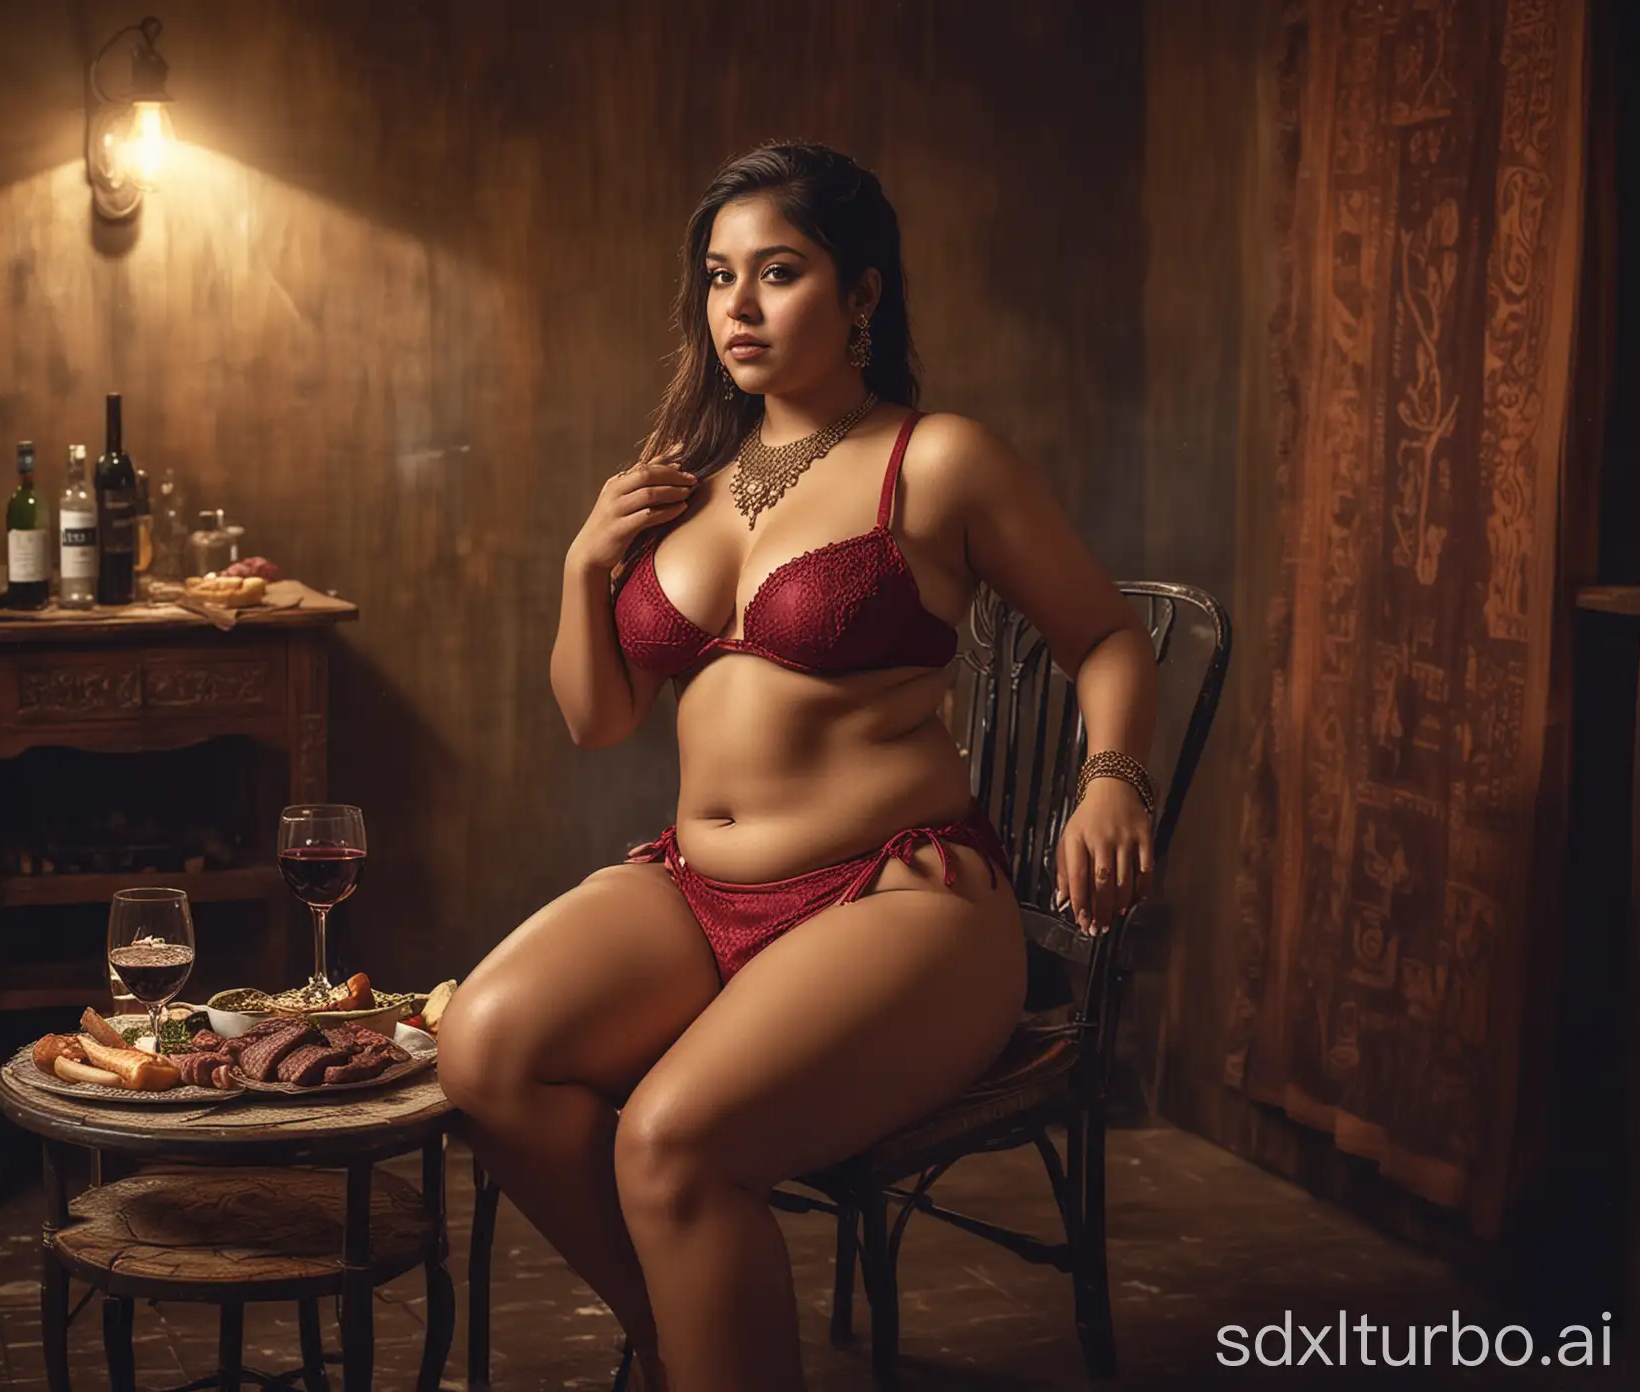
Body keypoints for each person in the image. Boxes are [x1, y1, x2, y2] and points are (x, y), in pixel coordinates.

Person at [437, 141, 1161, 1392]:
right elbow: (600, 720)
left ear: (863, 295)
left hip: (902, 898)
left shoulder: (934, 460)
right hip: (699, 888)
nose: (740, 308)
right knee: (487, 1052)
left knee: (667, 1145)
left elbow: (1104, 634)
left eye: (779, 273)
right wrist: (581, 567)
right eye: (719, 278)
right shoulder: (689, 484)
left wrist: (1112, 779)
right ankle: (691, 1340)